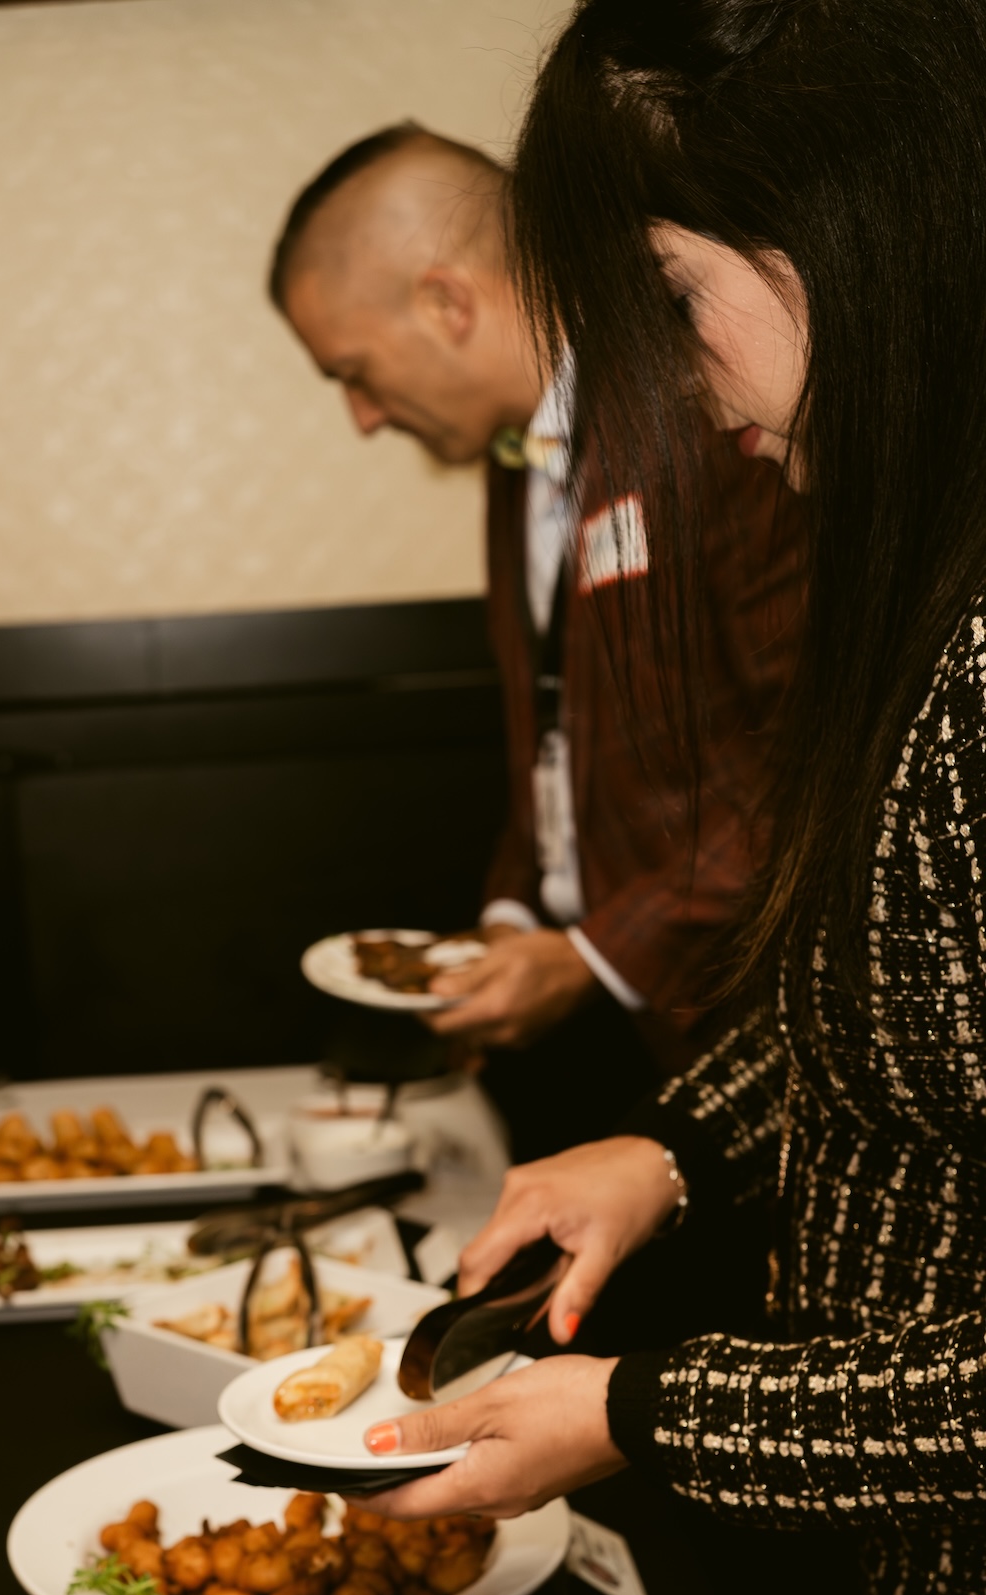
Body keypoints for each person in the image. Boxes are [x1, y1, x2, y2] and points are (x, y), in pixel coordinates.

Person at [360, 0, 986, 1595]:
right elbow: (887, 1000)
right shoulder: (928, 558)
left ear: (849, 238)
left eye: (672, 293)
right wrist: (676, 1149)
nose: (679, 382)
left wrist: (639, 1407)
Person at [271, 126, 803, 1151]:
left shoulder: (715, 410)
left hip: (762, 1043)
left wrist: (591, 956)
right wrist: (510, 925)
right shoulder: (513, 456)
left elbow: (809, 764)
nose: (362, 418)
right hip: (621, 1031)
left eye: (355, 371)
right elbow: (552, 729)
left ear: (447, 303)